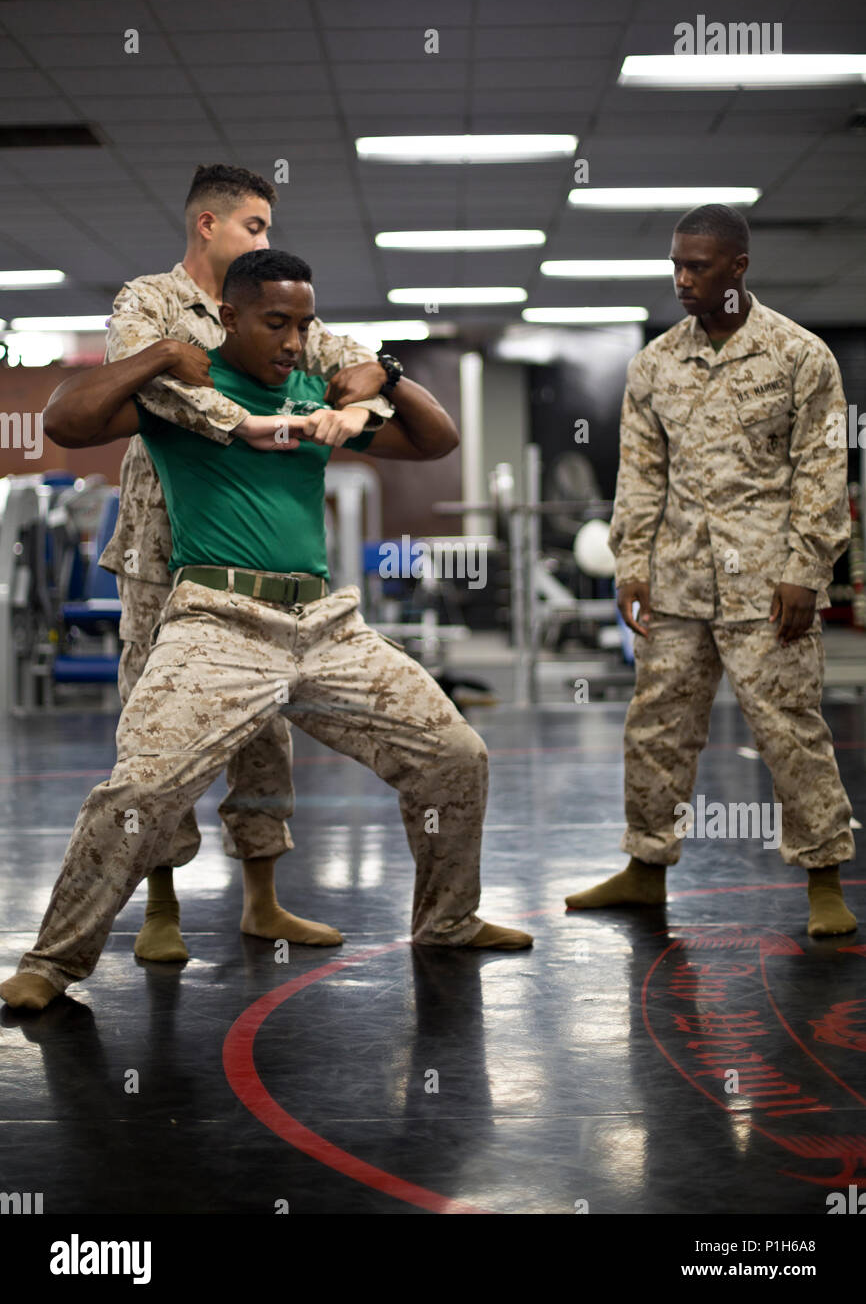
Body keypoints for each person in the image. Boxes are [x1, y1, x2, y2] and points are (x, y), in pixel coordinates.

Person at [1, 248, 532, 1012]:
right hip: (218, 622)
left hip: (323, 622)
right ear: (229, 318)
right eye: (276, 323)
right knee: (140, 789)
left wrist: (388, 374)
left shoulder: (315, 388)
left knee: (455, 755)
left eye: (303, 324)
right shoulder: (186, 394)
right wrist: (157, 354)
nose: (292, 341)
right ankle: (51, 963)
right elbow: (65, 419)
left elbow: (434, 440)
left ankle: (448, 921)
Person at [43, 163, 393, 961]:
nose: (266, 240)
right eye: (255, 227)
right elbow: (157, 392)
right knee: (153, 731)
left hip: (251, 539)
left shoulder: (272, 308)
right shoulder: (150, 302)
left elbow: (352, 360)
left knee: (264, 716)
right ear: (209, 225)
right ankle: (160, 907)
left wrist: (366, 387)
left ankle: (262, 901)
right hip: (160, 545)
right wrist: (238, 419)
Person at [565, 204, 856, 938]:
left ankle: (824, 876)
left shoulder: (800, 356)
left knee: (789, 729)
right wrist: (630, 565)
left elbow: (823, 473)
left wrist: (805, 571)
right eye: (676, 265)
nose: (683, 279)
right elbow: (640, 474)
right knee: (656, 728)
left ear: (738, 268)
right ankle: (645, 867)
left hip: (768, 587)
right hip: (678, 581)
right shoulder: (657, 362)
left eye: (697, 266)